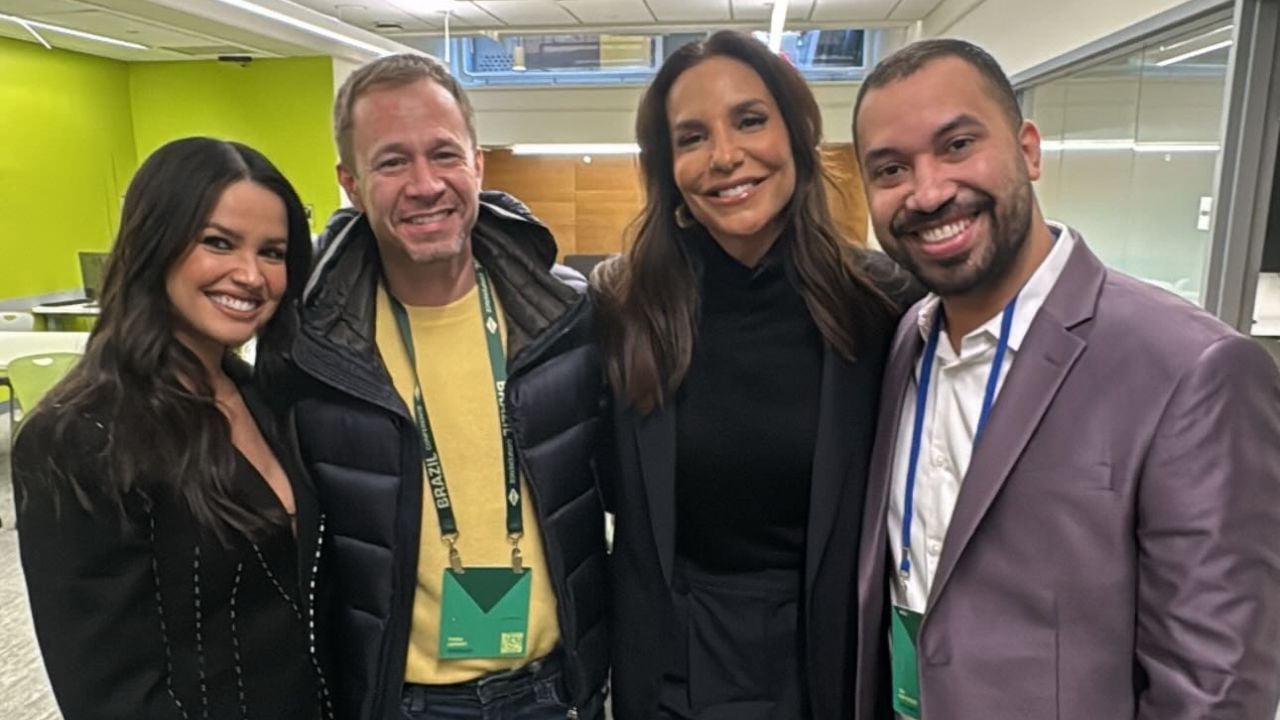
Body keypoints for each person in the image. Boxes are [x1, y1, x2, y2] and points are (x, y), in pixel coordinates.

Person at [850, 38, 1280, 720]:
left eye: (958, 145)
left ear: (1028, 149)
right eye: (892, 168)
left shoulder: (1191, 370)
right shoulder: (909, 339)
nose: (928, 192)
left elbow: (1217, 692)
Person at [256, 54, 609, 720]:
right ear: (351, 184)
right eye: (391, 162)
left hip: (558, 691)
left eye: (443, 155)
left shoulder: (569, 320)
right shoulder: (309, 349)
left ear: (477, 165)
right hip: (406, 701)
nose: (424, 185)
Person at [591, 30, 919, 720]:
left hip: (833, 654)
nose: (725, 156)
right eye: (691, 137)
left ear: (797, 136)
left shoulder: (885, 305)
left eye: (749, 120)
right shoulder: (623, 309)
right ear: (667, 166)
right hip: (674, 660)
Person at [13, 136, 328, 719]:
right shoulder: (81, 435)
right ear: (155, 242)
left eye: (274, 252)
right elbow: (107, 691)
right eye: (218, 243)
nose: (251, 276)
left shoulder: (267, 398)